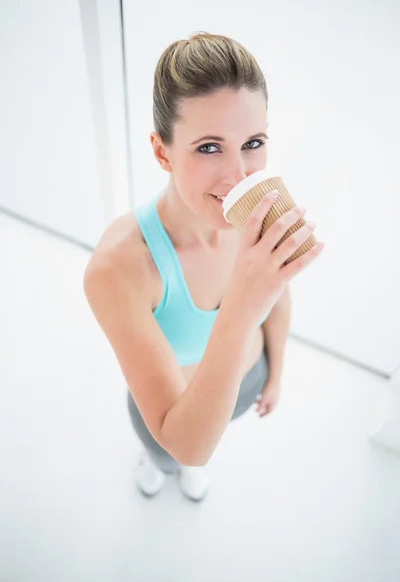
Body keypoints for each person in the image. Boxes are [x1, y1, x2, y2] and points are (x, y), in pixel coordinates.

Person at [83, 32, 324, 502]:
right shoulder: (117, 269)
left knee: (216, 432)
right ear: (161, 152)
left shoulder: (256, 211)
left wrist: (275, 371)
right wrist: (241, 304)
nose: (239, 176)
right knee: (172, 456)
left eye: (252, 142)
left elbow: (278, 296)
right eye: (209, 147)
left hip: (248, 377)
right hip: (176, 411)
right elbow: (188, 440)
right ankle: (155, 464)